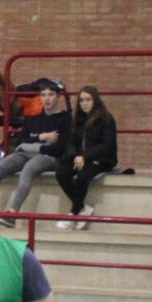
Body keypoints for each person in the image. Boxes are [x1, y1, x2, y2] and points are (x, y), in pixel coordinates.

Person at [0, 83, 70, 226]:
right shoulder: (34, 119)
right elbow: (19, 143)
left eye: (51, 95)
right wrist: (42, 138)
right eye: (43, 95)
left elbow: (59, 148)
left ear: (58, 96)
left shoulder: (65, 119)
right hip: (26, 154)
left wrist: (32, 144)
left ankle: (12, 213)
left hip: (49, 157)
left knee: (28, 169)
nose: (47, 99)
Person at [52, 85, 117, 230]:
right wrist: (76, 156)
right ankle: (82, 208)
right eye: (81, 100)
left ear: (95, 100)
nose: (84, 103)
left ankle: (74, 212)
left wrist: (85, 157)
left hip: (101, 160)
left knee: (82, 177)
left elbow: (107, 145)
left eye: (88, 99)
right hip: (82, 159)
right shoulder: (79, 120)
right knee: (61, 172)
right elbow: (71, 143)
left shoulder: (105, 119)